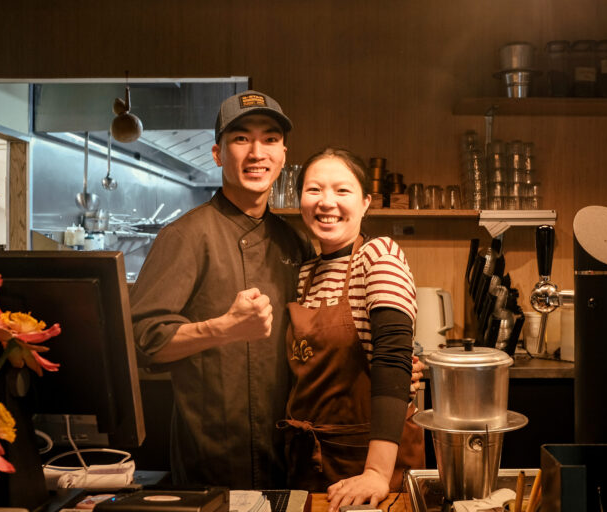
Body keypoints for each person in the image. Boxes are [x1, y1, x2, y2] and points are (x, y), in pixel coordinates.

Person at [130, 90, 314, 489]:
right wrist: (223, 329)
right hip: (211, 458)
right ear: (217, 154)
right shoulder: (186, 235)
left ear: (283, 155)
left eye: (269, 139)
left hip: (286, 452)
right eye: (241, 138)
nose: (257, 153)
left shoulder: (294, 242)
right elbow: (142, 339)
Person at [278, 147, 425, 510]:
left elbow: (393, 360)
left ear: (365, 203)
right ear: (300, 201)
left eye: (342, 190)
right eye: (314, 190)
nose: (327, 202)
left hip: (369, 460)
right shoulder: (304, 275)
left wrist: (376, 472)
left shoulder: (379, 256)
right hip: (309, 460)